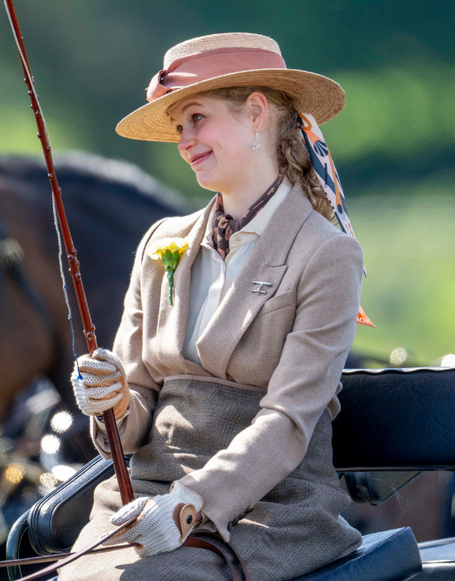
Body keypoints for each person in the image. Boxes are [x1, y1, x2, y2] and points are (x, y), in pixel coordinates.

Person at [60, 33, 366, 581]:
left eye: (197, 118)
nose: (185, 139)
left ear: (255, 114)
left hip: (272, 507)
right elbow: (128, 428)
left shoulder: (328, 254)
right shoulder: (161, 244)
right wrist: (112, 400)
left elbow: (289, 422)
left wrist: (190, 502)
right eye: (179, 127)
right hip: (142, 497)